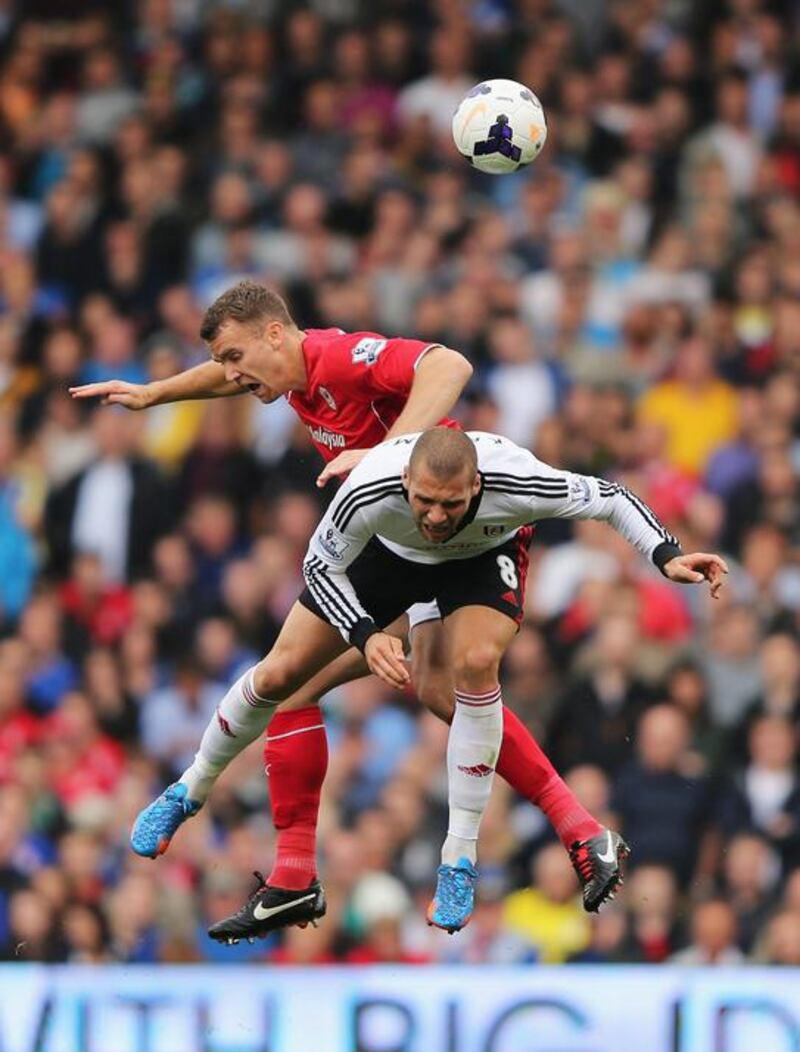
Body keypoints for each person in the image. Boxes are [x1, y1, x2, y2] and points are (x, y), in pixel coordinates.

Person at [73, 282, 631, 924]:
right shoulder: (289, 374)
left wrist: (389, 451)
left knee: (370, 681)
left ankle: (561, 835)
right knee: (383, 688)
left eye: (235, 356)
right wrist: (155, 393)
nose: (231, 375)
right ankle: (299, 877)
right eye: (224, 362)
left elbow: (449, 365)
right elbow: (233, 374)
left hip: (440, 534)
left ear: (275, 335)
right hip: (397, 540)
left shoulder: (340, 358)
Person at [169, 425, 724, 942]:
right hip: (393, 553)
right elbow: (319, 567)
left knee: (472, 665)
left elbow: (607, 495)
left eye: (451, 501)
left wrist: (666, 555)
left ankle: (462, 858)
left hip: (479, 553)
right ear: (408, 479)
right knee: (292, 683)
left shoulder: (506, 475)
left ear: (475, 484)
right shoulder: (364, 478)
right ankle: (278, 865)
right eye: (426, 500)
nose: (436, 514)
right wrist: (366, 636)